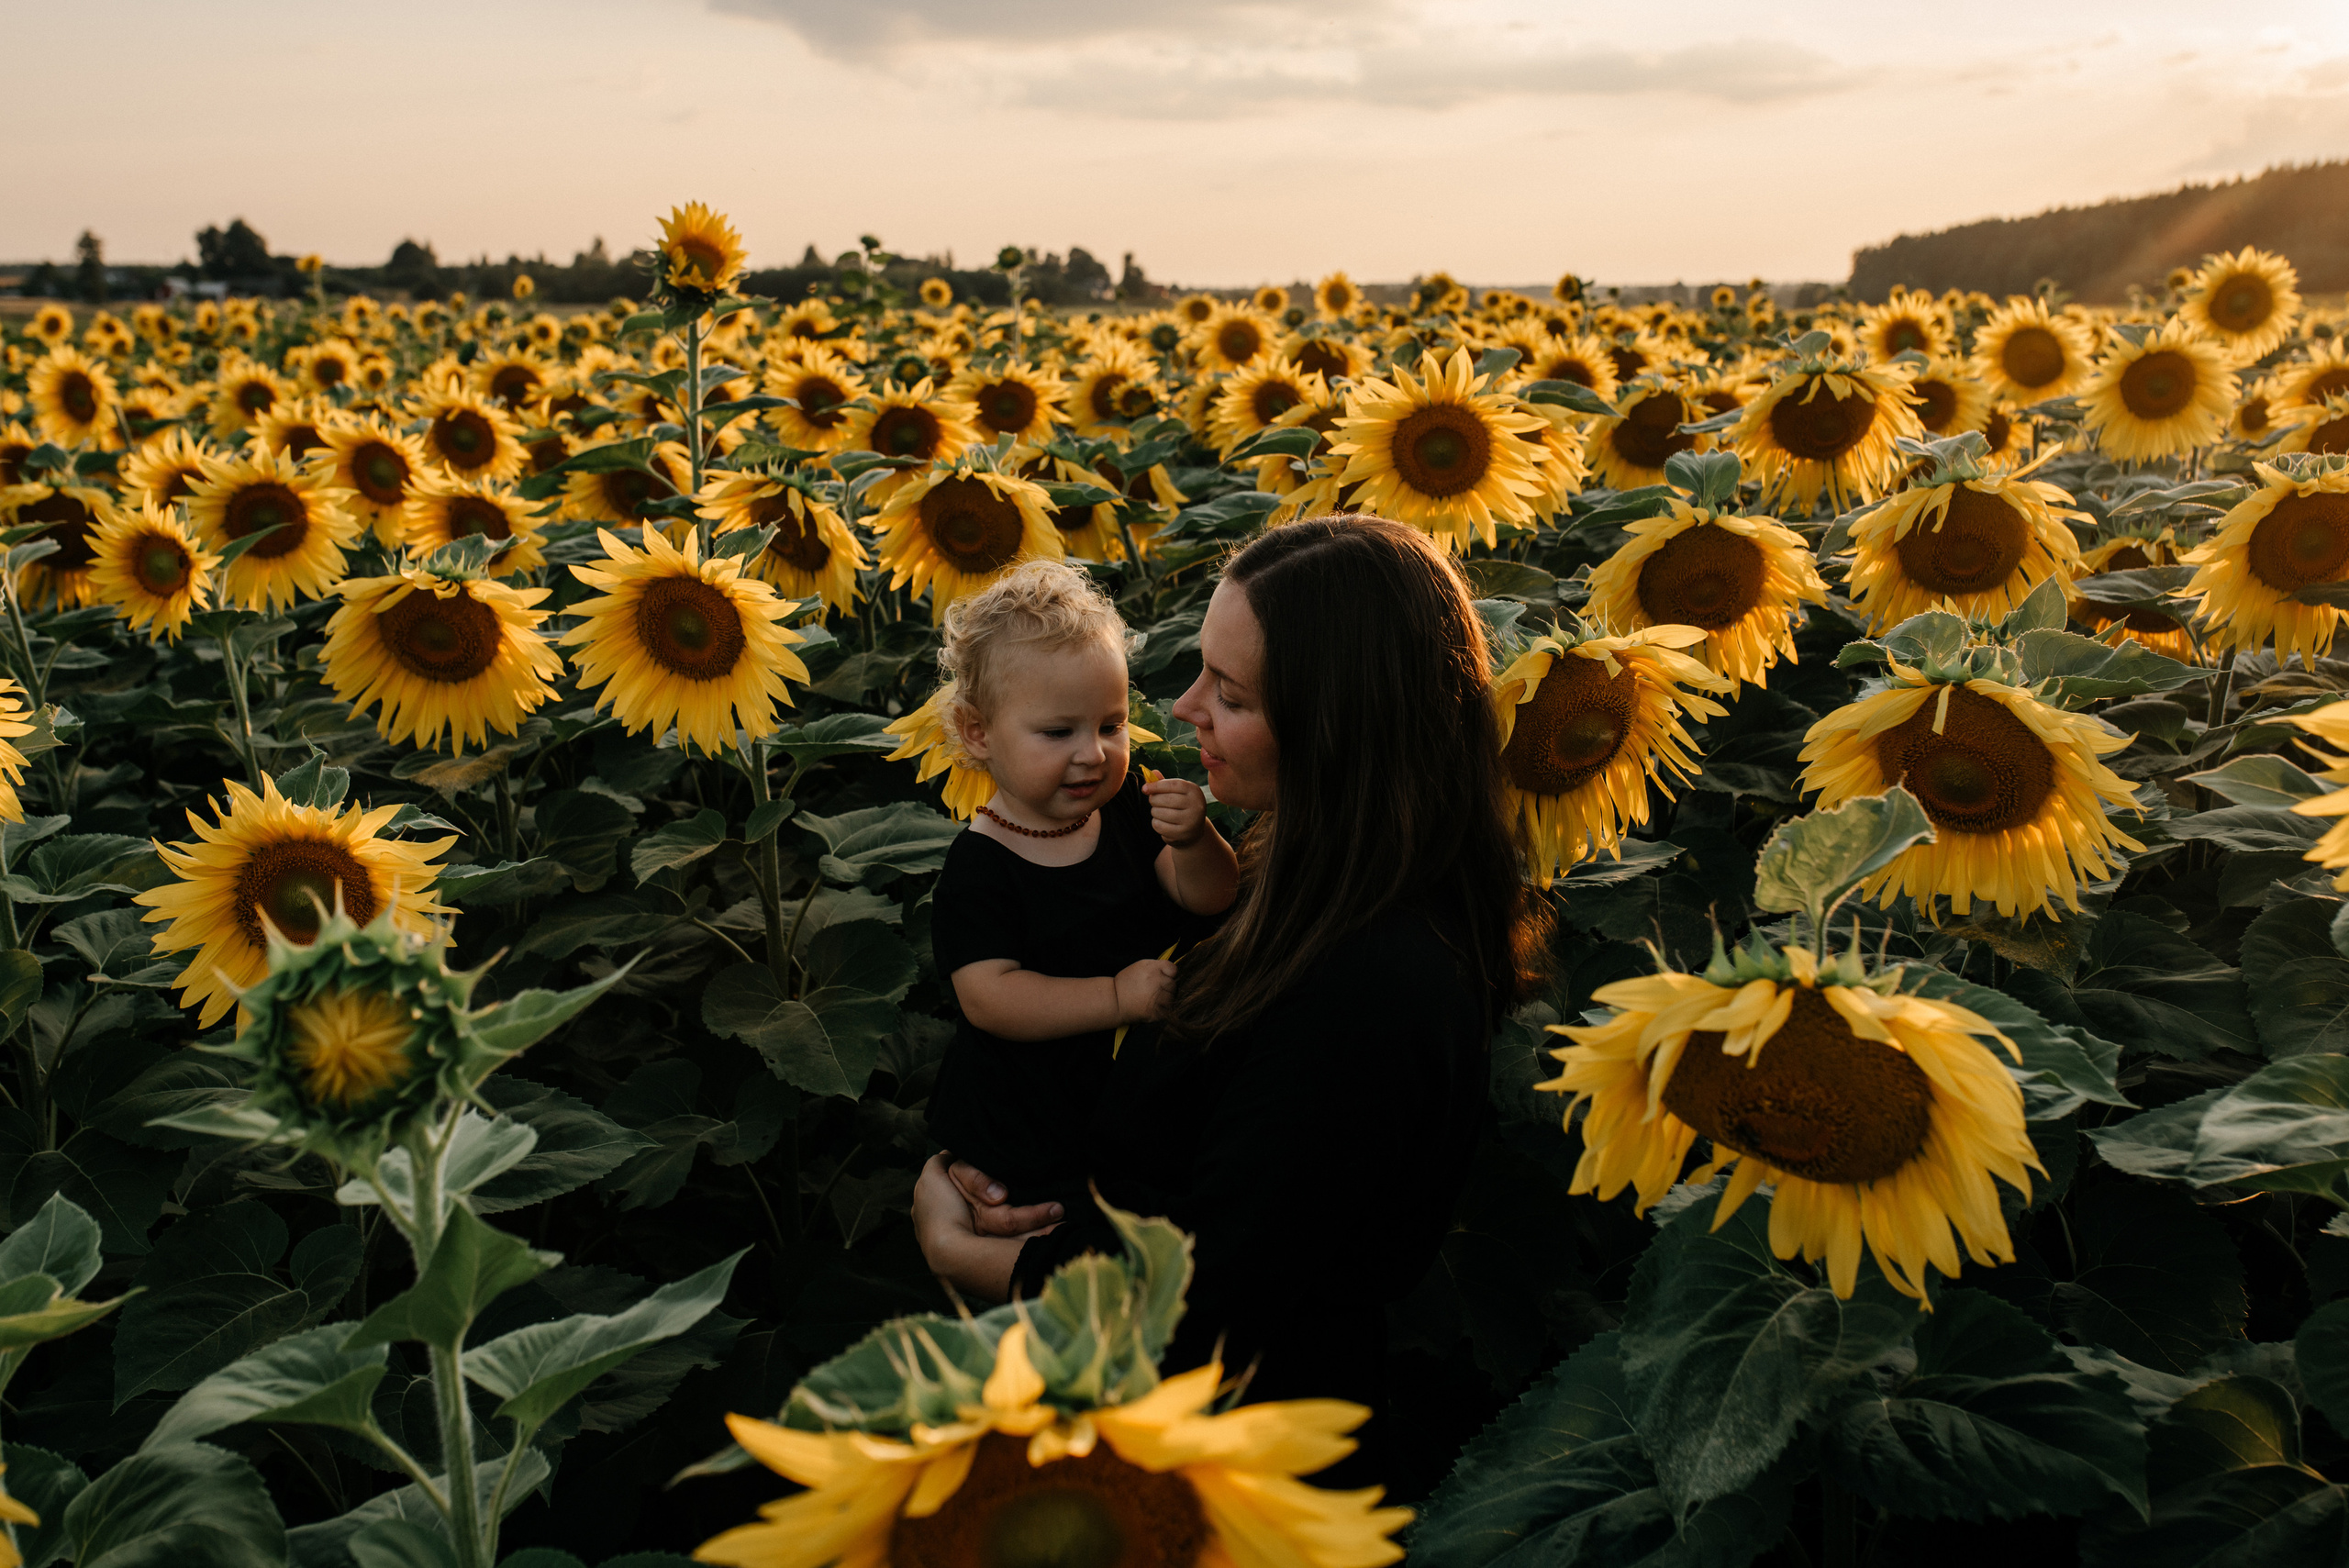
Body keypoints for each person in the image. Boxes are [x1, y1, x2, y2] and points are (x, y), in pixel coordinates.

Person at [913, 516, 1551, 1484]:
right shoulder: (1304, 871)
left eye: (1232, 692)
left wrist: (975, 1259)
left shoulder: (1373, 986)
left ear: (1337, 723)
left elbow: (1217, 1291)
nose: (1183, 705)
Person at [924, 559, 1240, 1218]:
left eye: (1110, 724)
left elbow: (1206, 897)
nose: (1094, 753)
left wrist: (1195, 842)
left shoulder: (1122, 806)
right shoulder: (980, 865)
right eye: (1058, 732)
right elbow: (990, 997)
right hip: (1034, 1120)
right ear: (979, 732)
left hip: (1133, 1094)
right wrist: (1115, 996)